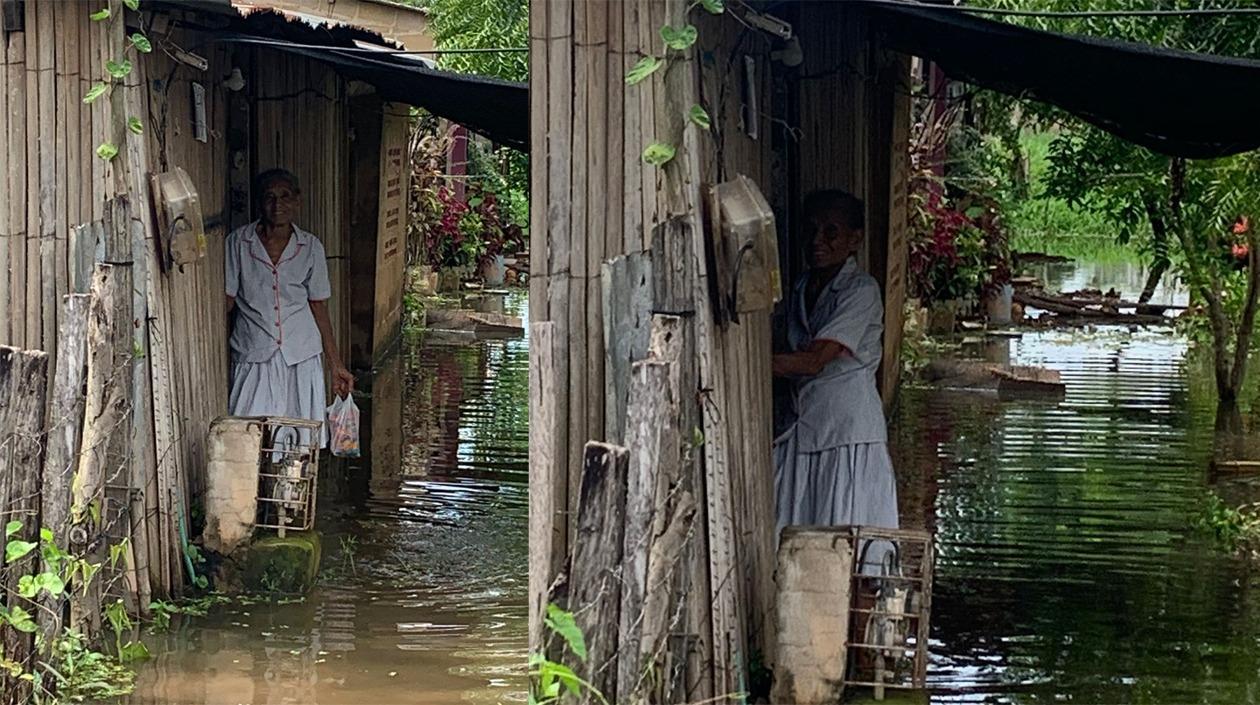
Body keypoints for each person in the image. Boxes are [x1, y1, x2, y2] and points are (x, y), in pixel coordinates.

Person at [772, 189, 899, 573]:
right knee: (795, 537)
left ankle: (852, 620)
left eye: (831, 232)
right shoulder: (801, 288)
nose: (817, 242)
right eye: (812, 231)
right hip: (805, 425)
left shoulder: (862, 291)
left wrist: (747, 365)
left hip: (848, 432)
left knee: (852, 546)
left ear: (854, 239)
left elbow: (814, 362)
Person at [225, 168, 354, 448]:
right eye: (269, 197)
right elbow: (227, 300)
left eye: (285, 196)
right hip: (254, 352)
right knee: (246, 436)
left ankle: (291, 489)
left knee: (299, 440)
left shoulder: (311, 247)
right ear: (260, 202)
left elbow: (318, 306)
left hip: (301, 353)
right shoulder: (238, 243)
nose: (277, 204)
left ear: (297, 201)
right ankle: (251, 490)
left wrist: (336, 365)